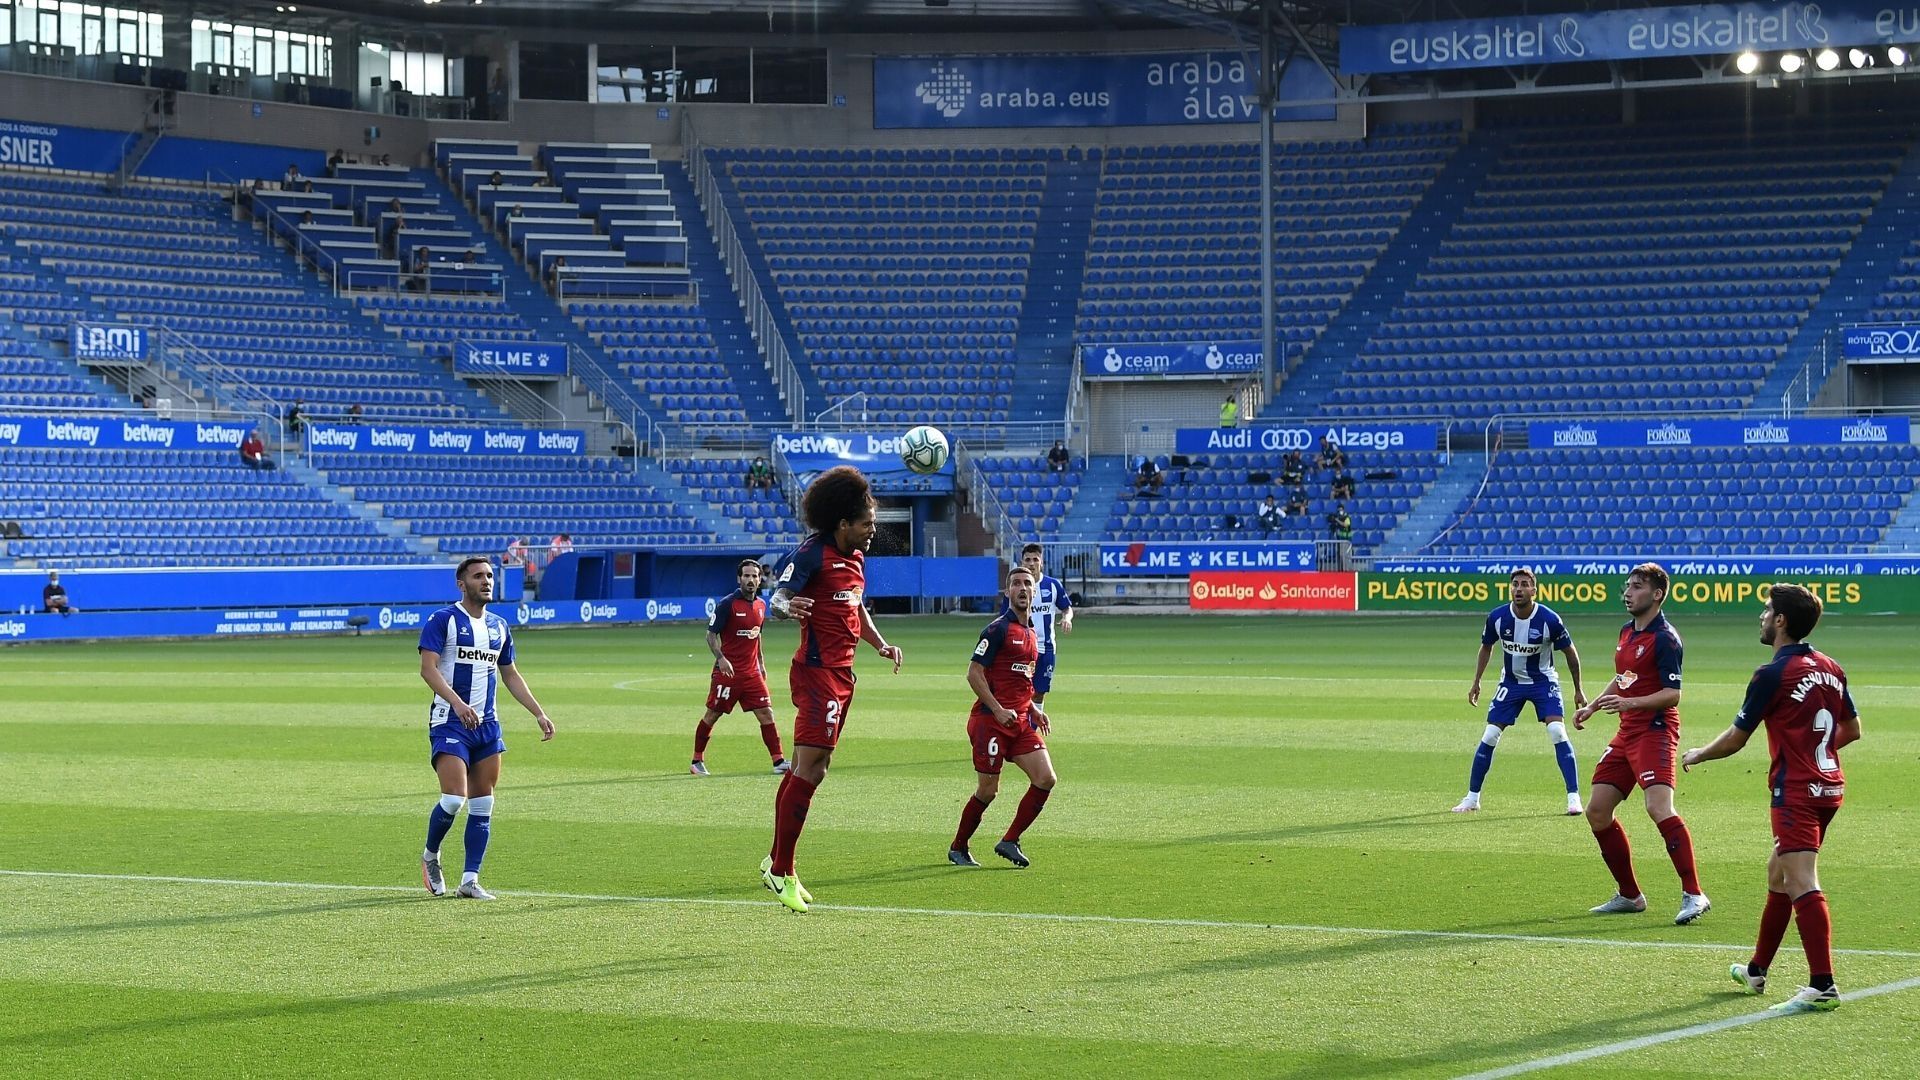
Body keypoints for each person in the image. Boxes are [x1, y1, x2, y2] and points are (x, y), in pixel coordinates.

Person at [1682, 584, 1859, 1013]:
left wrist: (1699, 753)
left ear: (1781, 621)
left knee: (1800, 880)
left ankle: (1823, 984)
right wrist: (1815, 755)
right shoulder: (1831, 667)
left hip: (1796, 792)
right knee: (1778, 874)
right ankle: (1757, 970)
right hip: (1829, 787)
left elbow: (1736, 739)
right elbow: (1852, 730)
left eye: (1766, 611)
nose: (1761, 617)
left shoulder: (1771, 674)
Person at [759, 466, 904, 913]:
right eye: (867, 524)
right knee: (811, 768)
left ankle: (777, 864)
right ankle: (782, 870)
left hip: (843, 675)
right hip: (816, 672)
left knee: (809, 768)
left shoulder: (857, 559)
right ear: (843, 524)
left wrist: (879, 643)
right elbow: (777, 598)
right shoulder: (810, 555)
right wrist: (786, 608)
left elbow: (854, 607)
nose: (873, 530)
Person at [1573, 563, 1709, 925]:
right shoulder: (1626, 632)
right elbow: (1624, 678)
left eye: (1636, 587)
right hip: (1627, 731)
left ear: (1657, 594)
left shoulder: (1666, 639)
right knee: (1597, 810)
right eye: (1628, 586)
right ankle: (1630, 895)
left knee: (1658, 807)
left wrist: (1630, 703)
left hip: (1656, 729)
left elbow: (1672, 694)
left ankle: (1694, 894)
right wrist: (1593, 705)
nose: (1628, 592)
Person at [417, 557, 555, 900]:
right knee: (453, 799)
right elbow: (427, 669)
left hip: (487, 726)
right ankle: (431, 855)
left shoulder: (499, 626)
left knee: (483, 805)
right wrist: (458, 704)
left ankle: (469, 880)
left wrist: (538, 712)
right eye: (478, 576)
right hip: (450, 721)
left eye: (490, 575)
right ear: (462, 584)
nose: (487, 581)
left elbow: (510, 673)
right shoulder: (444, 620)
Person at [1453, 569, 1588, 815]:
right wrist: (1477, 682)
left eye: (1525, 584)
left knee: (1557, 731)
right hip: (1511, 683)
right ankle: (1472, 798)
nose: (1519, 588)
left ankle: (1573, 797)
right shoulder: (1497, 617)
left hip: (1543, 681)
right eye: (1515, 584)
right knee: (1490, 735)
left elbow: (1570, 653)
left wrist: (1578, 689)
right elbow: (1486, 648)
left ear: (1534, 591)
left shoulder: (1549, 619)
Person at [950, 565, 1057, 869]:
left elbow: (1021, 680)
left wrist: (1033, 708)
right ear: (1007, 592)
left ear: (1034, 591)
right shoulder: (997, 629)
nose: (1023, 588)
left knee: (1046, 778)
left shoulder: (1031, 634)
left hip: (1021, 721)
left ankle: (1010, 840)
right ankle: (958, 847)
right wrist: (997, 708)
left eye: (1027, 584)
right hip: (989, 722)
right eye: (1016, 584)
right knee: (988, 790)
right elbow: (973, 673)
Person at [691, 560, 790, 777]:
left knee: (766, 714)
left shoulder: (762, 606)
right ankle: (696, 760)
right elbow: (710, 635)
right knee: (713, 714)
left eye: (755, 576)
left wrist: (761, 664)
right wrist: (721, 658)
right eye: (746, 576)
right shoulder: (728, 604)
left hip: (752, 674)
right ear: (739, 579)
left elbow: (757, 635)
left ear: (759, 579)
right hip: (728, 674)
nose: (751, 580)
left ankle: (778, 761)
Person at [1005, 543, 1073, 709]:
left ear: (1041, 562)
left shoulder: (1053, 585)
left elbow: (1067, 608)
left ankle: (1030, 731)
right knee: (1020, 691)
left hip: (1046, 648)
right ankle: (1021, 729)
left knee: (1039, 692)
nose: (1031, 563)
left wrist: (1067, 618)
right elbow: (1004, 617)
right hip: (1022, 647)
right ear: (1022, 562)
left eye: (1035, 559)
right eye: (1027, 559)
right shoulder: (1015, 587)